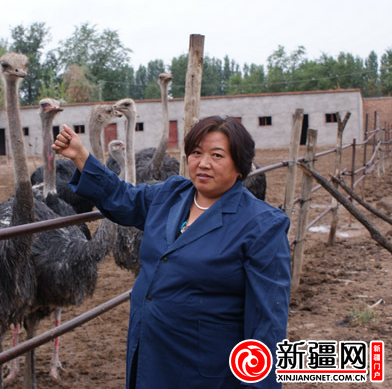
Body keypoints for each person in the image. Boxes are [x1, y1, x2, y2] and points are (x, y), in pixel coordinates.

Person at [52, 116, 291, 388]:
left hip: (205, 372)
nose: (203, 163)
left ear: (240, 164)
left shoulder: (261, 225)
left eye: (217, 155)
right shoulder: (172, 194)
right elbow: (123, 198)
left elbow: (267, 324)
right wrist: (81, 156)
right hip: (150, 358)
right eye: (197, 153)